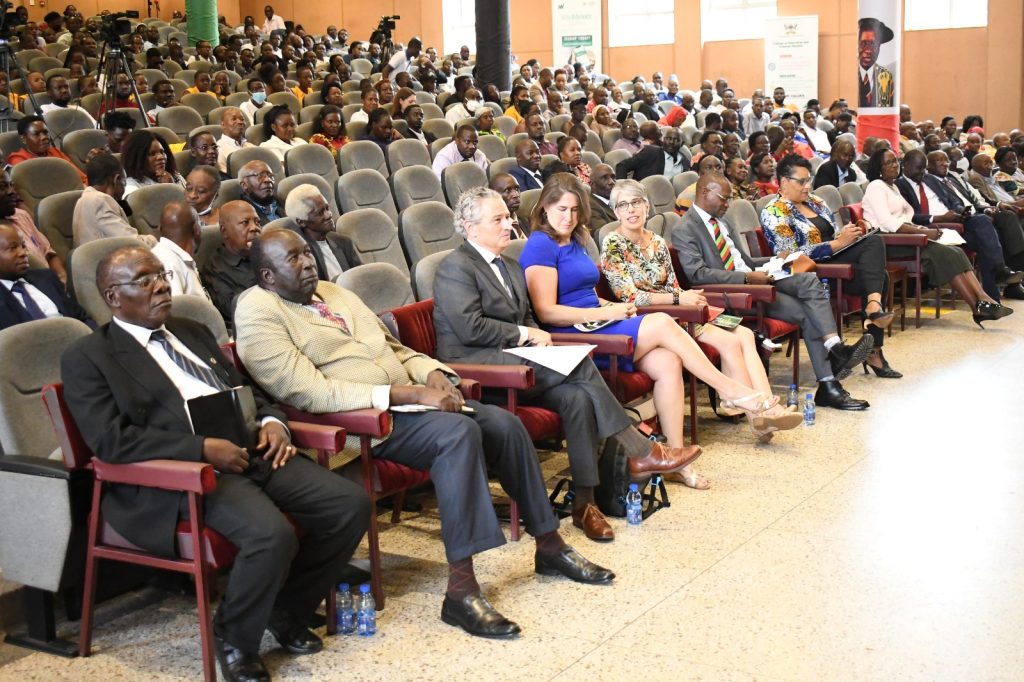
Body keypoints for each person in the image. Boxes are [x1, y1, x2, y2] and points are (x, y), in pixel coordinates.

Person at [235, 228, 614, 640]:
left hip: (410, 404)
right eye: (293, 258)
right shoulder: (258, 311)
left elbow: (393, 349)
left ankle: (550, 545)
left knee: (505, 424)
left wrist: (434, 374)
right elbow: (305, 390)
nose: (308, 262)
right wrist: (404, 393)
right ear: (268, 276)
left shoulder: (334, 292)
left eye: (307, 253)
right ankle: (461, 590)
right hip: (360, 424)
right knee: (457, 435)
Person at [62, 243, 369, 681]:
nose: (162, 285)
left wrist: (271, 421)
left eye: (162, 275)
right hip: (185, 475)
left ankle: (286, 610)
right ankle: (234, 637)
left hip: (250, 449)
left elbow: (249, 391)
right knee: (270, 535)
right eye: (145, 280)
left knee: (348, 505)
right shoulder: (89, 357)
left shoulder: (191, 331)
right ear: (113, 296)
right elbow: (111, 441)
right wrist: (201, 449)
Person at [434, 187, 704, 537]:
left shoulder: (510, 266)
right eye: (498, 219)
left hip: (518, 360)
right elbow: (470, 327)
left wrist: (531, 333)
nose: (508, 224)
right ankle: (641, 449)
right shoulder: (454, 267)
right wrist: (525, 335)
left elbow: (528, 317)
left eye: (508, 216)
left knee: (577, 398)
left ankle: (585, 504)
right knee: (578, 364)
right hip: (478, 369)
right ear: (471, 228)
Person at [520, 172, 801, 455]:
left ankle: (676, 455)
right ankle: (733, 392)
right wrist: (613, 311)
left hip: (599, 321)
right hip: (576, 334)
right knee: (664, 322)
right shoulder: (541, 243)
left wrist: (611, 308)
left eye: (574, 209)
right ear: (545, 207)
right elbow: (546, 312)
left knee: (668, 361)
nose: (568, 217)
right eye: (561, 209)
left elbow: (589, 297)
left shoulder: (576, 239)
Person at [601, 179, 802, 450]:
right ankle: (756, 411)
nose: (631, 210)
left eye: (636, 202)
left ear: (647, 206)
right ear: (615, 212)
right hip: (648, 319)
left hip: (678, 311)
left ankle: (763, 408)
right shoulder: (613, 243)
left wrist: (685, 300)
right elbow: (629, 297)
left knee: (743, 334)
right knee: (730, 341)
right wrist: (677, 298)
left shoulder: (658, 241)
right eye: (622, 205)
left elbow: (672, 284)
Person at [672, 173, 874, 410]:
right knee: (807, 313)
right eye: (724, 198)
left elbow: (745, 260)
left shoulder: (723, 222)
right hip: (733, 294)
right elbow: (699, 275)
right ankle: (829, 383)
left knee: (808, 280)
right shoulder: (684, 229)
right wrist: (747, 278)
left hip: (754, 279)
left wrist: (777, 259)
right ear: (704, 193)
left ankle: (835, 349)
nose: (728, 204)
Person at [761, 155, 900, 377]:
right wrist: (836, 244)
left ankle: (873, 333)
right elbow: (788, 255)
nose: (807, 187)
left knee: (877, 266)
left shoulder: (817, 202)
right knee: (876, 260)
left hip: (834, 263)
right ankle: (873, 321)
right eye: (802, 181)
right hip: (810, 274)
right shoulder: (774, 211)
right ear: (784, 182)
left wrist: (849, 236)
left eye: (810, 180)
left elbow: (834, 236)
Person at [861, 148, 1012, 328]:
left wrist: (919, 228)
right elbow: (887, 223)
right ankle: (978, 305)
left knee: (955, 251)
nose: (895, 165)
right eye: (888, 162)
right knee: (947, 254)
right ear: (878, 167)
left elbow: (905, 217)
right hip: (888, 242)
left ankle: (982, 300)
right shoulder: (876, 186)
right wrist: (923, 232)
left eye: (895, 160)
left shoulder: (892, 186)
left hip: (907, 236)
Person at [896, 149, 1016, 302]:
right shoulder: (900, 186)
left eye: (924, 168)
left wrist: (960, 212)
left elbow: (953, 201)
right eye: (918, 168)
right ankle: (997, 280)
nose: (922, 172)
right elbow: (909, 216)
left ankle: (994, 289)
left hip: (954, 222)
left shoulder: (930, 179)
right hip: (934, 227)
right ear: (906, 165)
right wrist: (939, 218)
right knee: (984, 241)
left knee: (983, 222)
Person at [0, 222, 90, 330]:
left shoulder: (47, 277)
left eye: (23, 246)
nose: (23, 253)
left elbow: (81, 317)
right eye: (13, 248)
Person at [73, 155, 155, 248]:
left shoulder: (82, 200)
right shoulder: (100, 200)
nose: (124, 189)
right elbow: (133, 242)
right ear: (117, 179)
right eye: (124, 184)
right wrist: (154, 240)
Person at [201, 200, 263, 322]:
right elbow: (232, 308)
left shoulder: (269, 253)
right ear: (224, 231)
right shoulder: (214, 269)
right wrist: (261, 266)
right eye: (245, 223)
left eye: (257, 222)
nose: (254, 228)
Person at [284, 184, 360, 281]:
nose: (328, 215)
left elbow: (361, 279)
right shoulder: (300, 256)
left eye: (327, 208)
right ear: (301, 222)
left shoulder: (343, 242)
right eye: (320, 213)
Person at [0, 171, 65, 281]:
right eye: (2, 187)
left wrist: (62, 277)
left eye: (11, 185)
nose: (12, 192)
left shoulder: (21, 215)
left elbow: (49, 253)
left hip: (49, 284)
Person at [150, 200, 210, 299]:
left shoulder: (172, 255)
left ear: (160, 229)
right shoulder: (168, 263)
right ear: (196, 230)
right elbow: (176, 311)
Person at [6, 116, 87, 185]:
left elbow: (81, 178)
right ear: (23, 139)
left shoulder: (56, 152)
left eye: (45, 132)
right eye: (36, 134)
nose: (44, 137)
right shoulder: (18, 159)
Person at [121, 130, 185, 196]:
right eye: (152, 154)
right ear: (137, 158)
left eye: (162, 152)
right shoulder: (131, 187)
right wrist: (168, 187)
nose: (160, 157)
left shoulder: (175, 176)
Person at [858, 17, 896, 107]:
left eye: (873, 44)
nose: (868, 50)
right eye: (863, 44)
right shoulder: (851, 74)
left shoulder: (886, 77)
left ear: (879, 47)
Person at [238, 160, 281, 225]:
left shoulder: (283, 202)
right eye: (260, 176)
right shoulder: (241, 213)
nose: (268, 180)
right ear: (244, 185)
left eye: (270, 176)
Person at [488, 174, 528, 239]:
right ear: (493, 195)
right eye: (507, 190)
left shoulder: (524, 220)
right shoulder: (495, 229)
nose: (516, 194)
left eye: (517, 189)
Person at [216, 107, 255, 175]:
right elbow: (226, 178)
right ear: (223, 125)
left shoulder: (251, 146)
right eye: (234, 119)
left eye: (242, 119)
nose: (240, 122)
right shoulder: (218, 149)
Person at [588, 164, 618, 233]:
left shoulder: (620, 199)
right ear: (592, 184)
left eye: (613, 177)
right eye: (604, 178)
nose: (611, 182)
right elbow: (605, 235)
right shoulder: (590, 206)